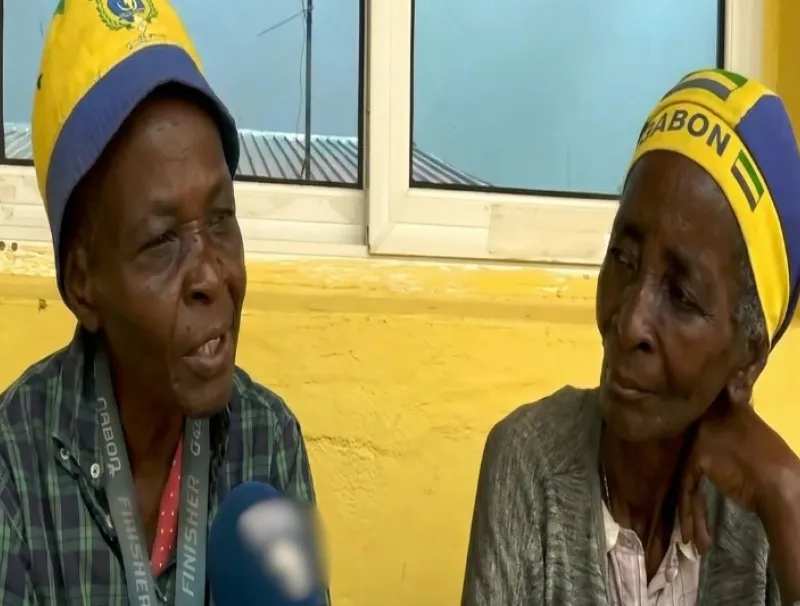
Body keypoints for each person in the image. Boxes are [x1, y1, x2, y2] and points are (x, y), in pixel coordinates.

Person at [0, 1, 329, 605]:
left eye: (221, 218)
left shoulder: (267, 439)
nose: (212, 274)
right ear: (82, 284)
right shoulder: (14, 463)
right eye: (161, 241)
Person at [461, 69, 800, 606]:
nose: (630, 321)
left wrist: (788, 497)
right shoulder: (531, 465)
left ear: (748, 360)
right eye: (623, 258)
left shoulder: (764, 517)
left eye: (681, 295)